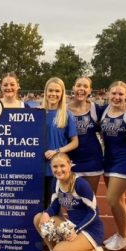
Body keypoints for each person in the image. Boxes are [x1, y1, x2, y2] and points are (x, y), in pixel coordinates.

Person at [34, 153, 104, 251]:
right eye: (55, 167)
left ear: (70, 165)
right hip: (72, 225)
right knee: (38, 218)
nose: (59, 170)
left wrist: (77, 230)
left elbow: (94, 212)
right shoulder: (56, 182)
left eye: (62, 166)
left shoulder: (80, 184)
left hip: (90, 230)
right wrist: (47, 213)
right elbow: (55, 205)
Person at [100, 81, 126, 251]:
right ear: (108, 94)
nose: (117, 97)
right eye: (114, 93)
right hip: (108, 158)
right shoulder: (103, 110)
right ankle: (121, 233)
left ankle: (124, 236)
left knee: (111, 198)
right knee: (119, 199)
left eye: (120, 94)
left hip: (125, 159)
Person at [42, 77, 78, 206]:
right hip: (38, 166)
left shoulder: (67, 115)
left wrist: (56, 151)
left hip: (56, 167)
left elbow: (75, 142)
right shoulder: (37, 113)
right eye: (50, 90)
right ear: (45, 92)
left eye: (57, 91)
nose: (53, 94)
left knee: (54, 205)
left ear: (62, 93)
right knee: (39, 204)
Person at [67, 76, 104, 193]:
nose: (81, 88)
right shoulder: (64, 109)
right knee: (71, 200)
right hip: (70, 161)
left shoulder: (96, 109)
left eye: (85, 86)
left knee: (90, 199)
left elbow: (104, 132)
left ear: (90, 90)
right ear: (73, 88)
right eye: (78, 85)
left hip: (92, 160)